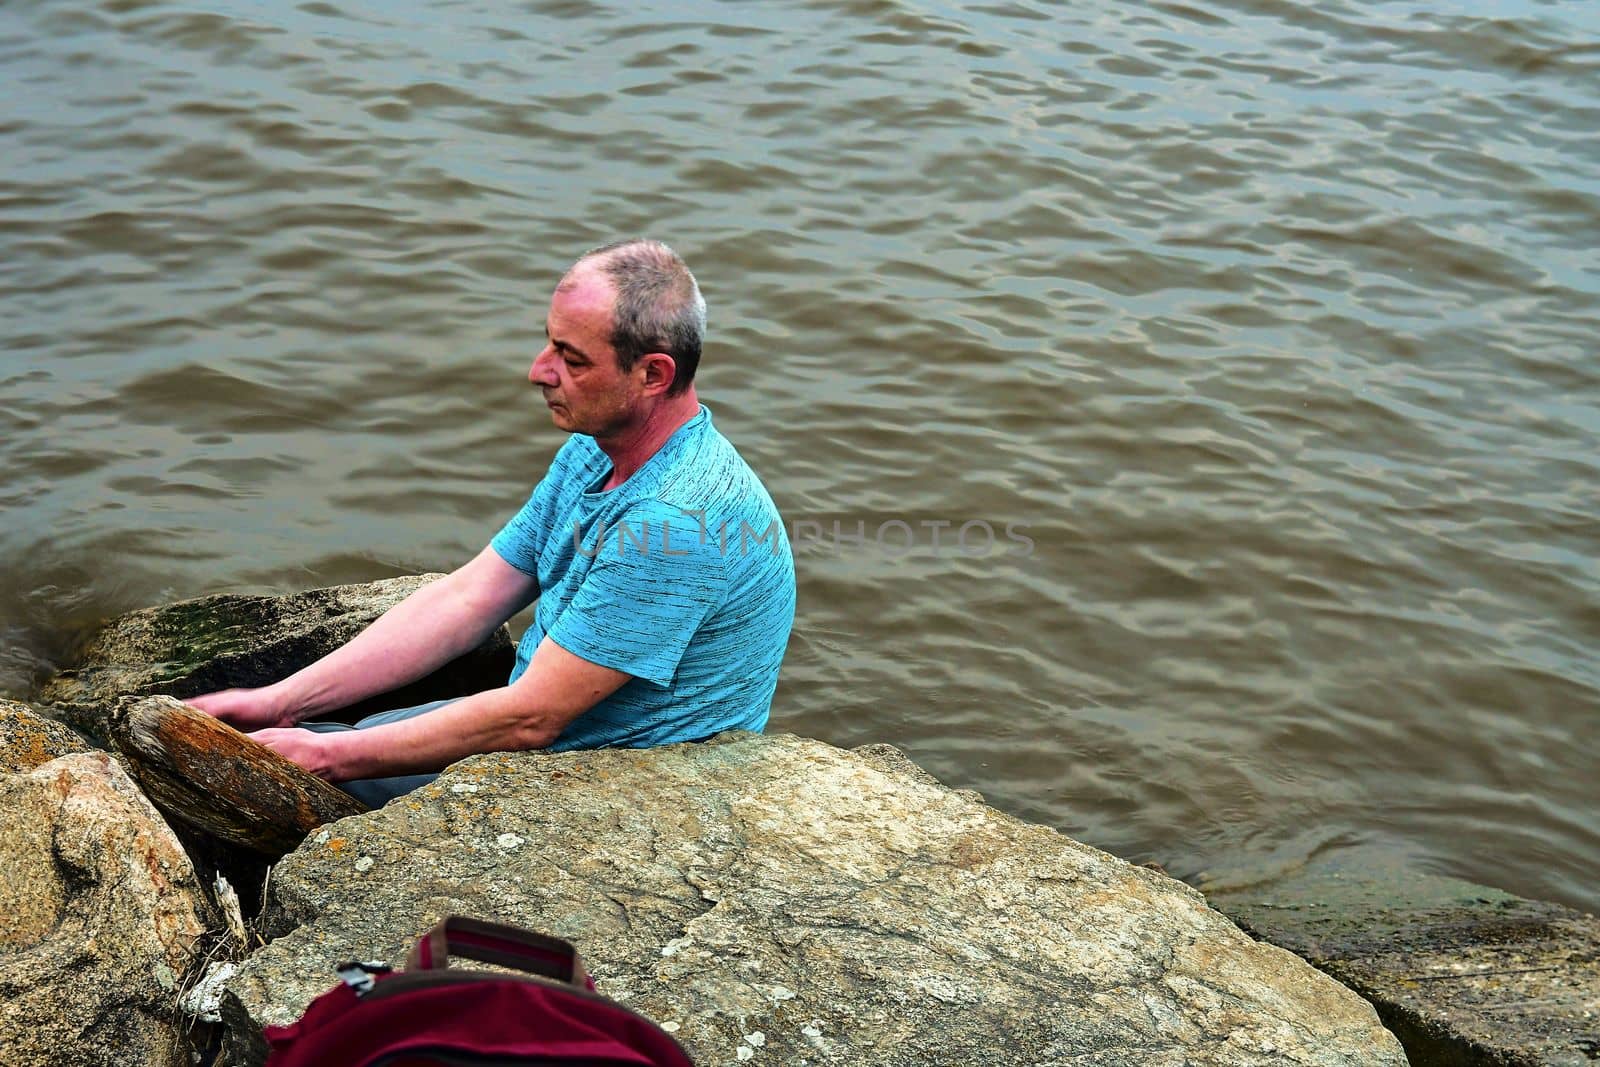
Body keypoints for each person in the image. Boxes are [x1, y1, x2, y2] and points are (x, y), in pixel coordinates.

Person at [190, 239, 796, 806]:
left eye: (572, 359)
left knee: (247, 781)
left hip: (618, 790)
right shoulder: (597, 449)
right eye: (549, 343)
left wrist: (326, 756)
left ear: (653, 375)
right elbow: (471, 596)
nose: (539, 371)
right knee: (270, 748)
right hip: (554, 737)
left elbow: (533, 716)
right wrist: (280, 703)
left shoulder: (673, 523)